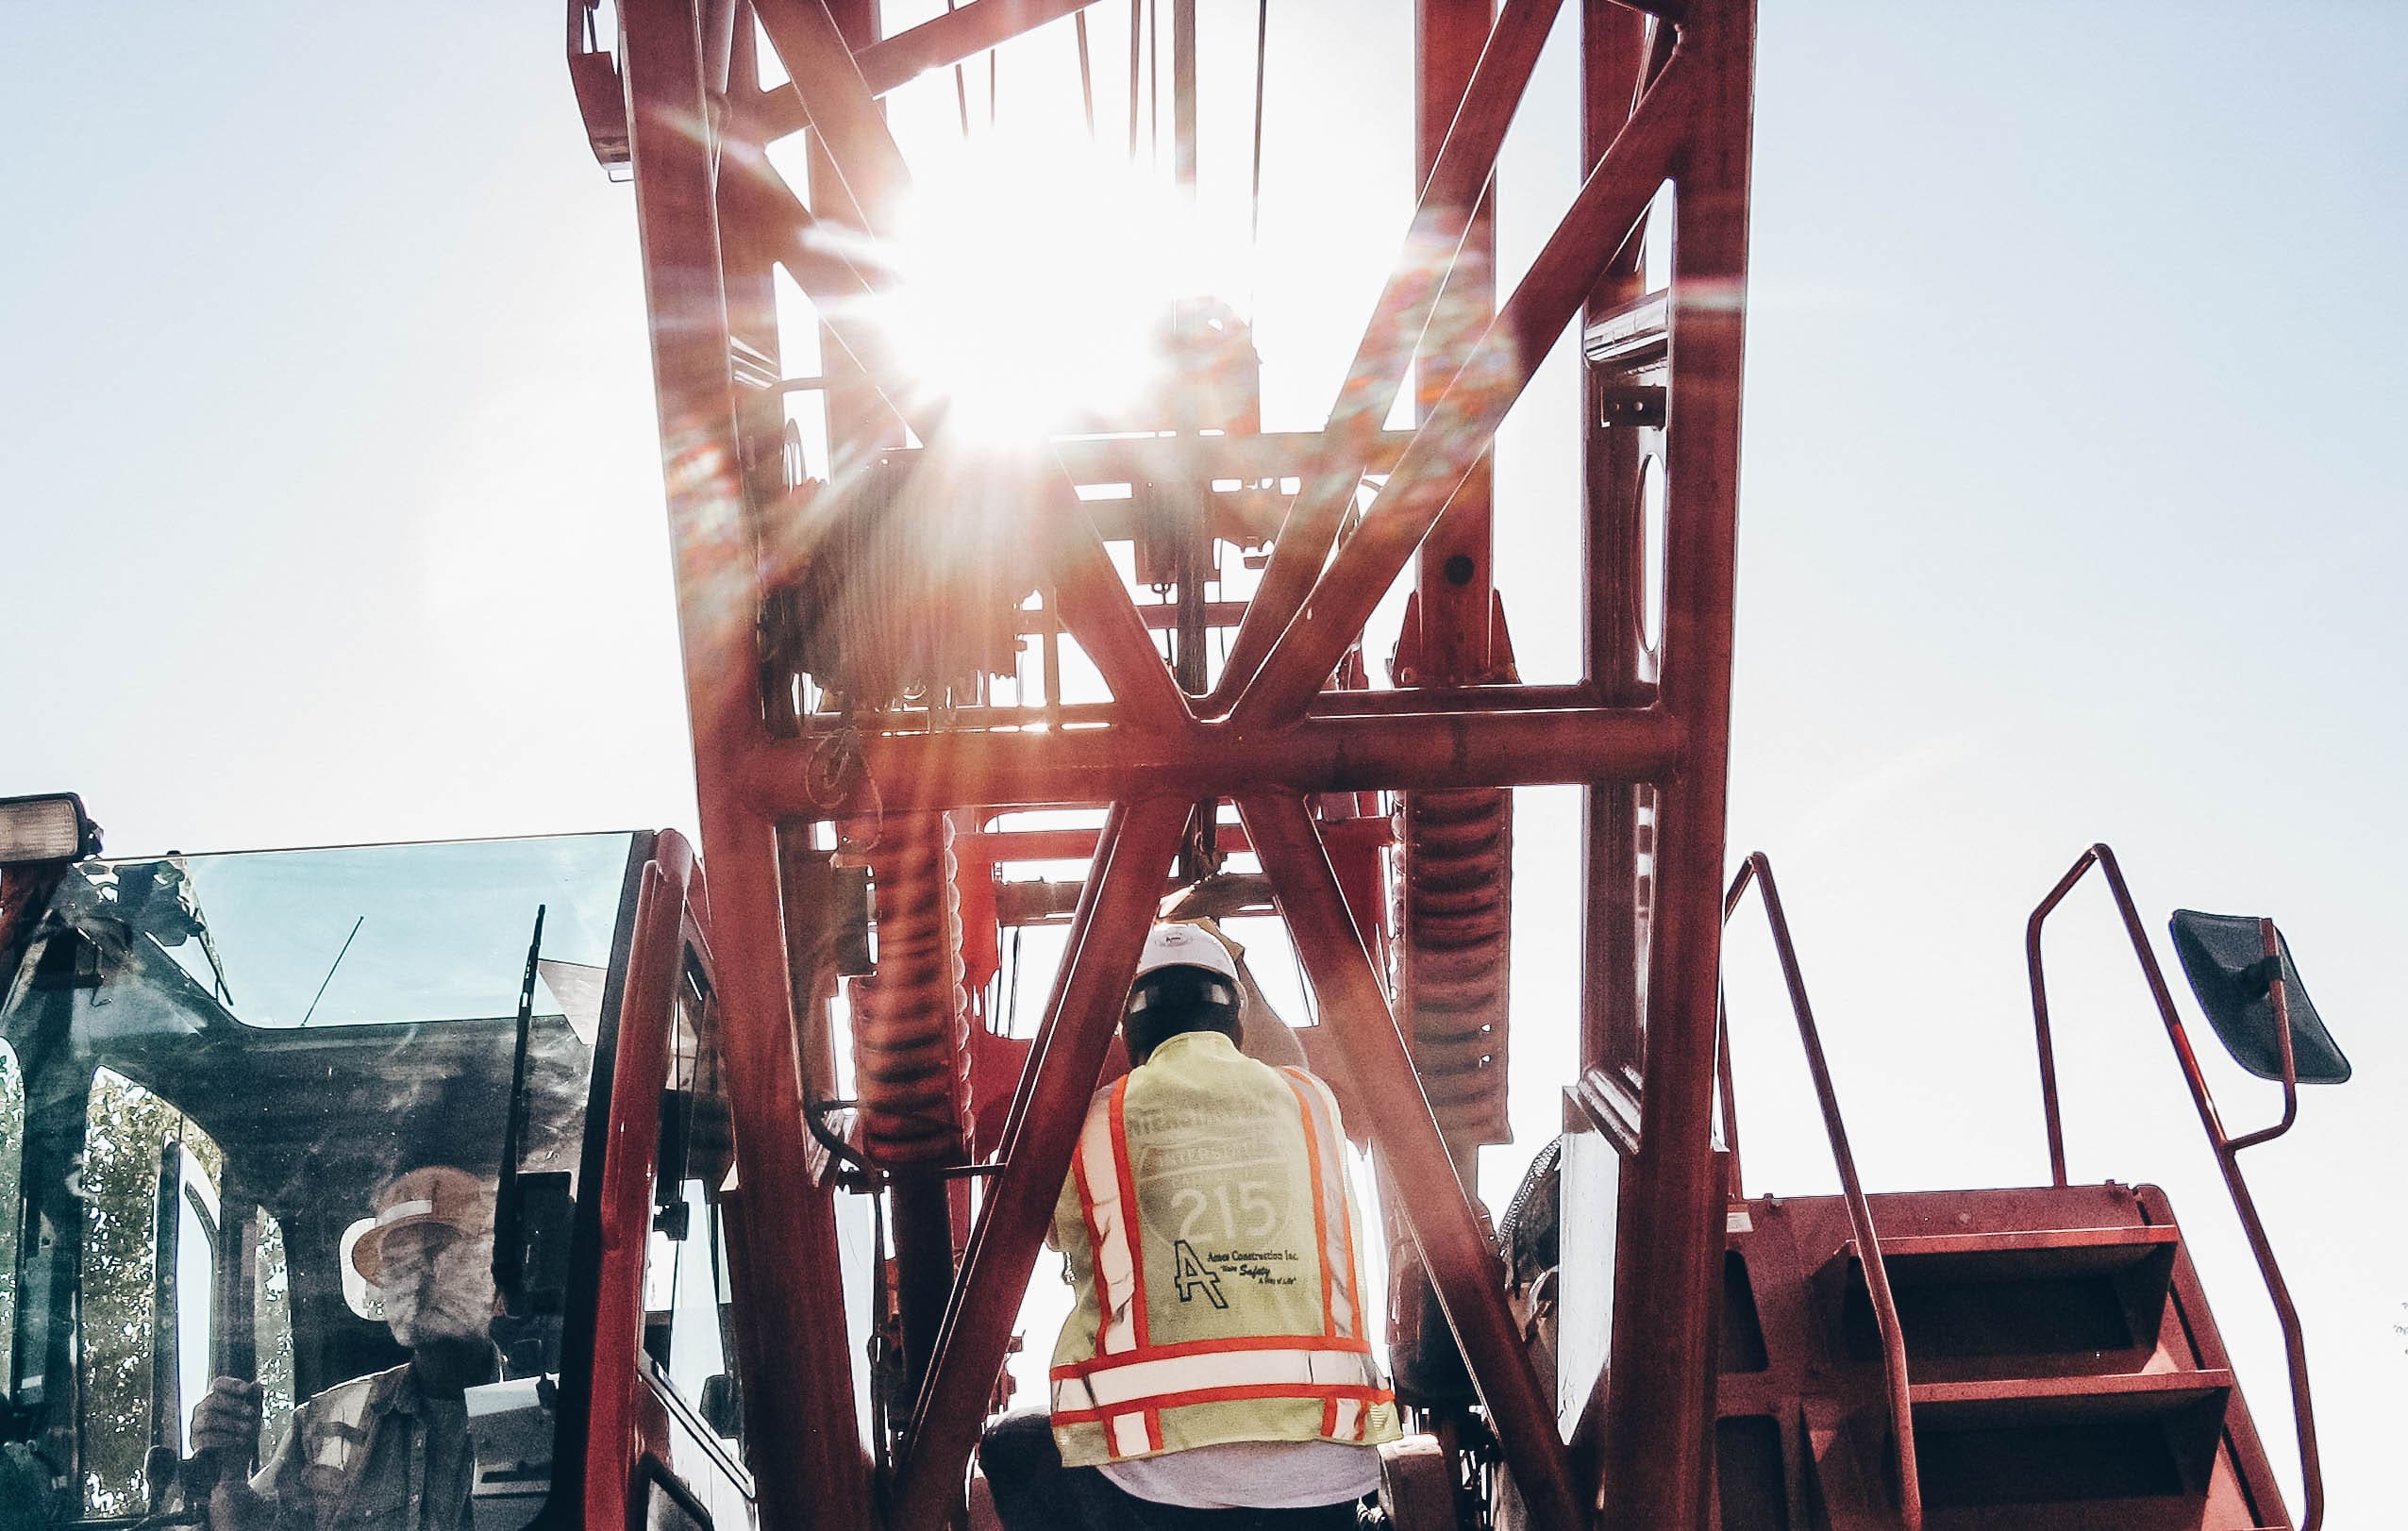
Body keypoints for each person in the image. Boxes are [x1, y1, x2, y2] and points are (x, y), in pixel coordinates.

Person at [980, 922, 1399, 1530]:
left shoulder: (1094, 1125)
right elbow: (1289, 1059)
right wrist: (1231, 955)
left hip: (1155, 1484)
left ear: (1128, 1032)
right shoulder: (1311, 1103)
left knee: (1012, 1446)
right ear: (1235, 1021)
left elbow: (1042, 1232)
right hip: (1328, 1477)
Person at [191, 1166, 502, 1531]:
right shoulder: (324, 1423)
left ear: (489, 1270)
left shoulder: (551, 1411)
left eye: (437, 1252)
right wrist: (227, 1476)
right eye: (397, 1263)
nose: (415, 1278)